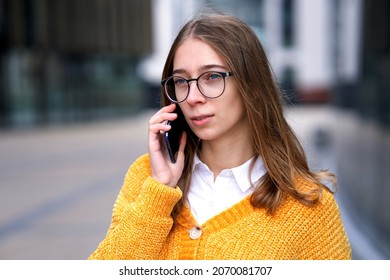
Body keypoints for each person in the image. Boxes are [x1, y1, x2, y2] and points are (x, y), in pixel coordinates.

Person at [88, 12, 352, 260]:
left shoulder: (310, 208)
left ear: (253, 86)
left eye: (212, 76)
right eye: (181, 81)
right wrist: (160, 191)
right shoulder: (147, 179)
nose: (192, 98)